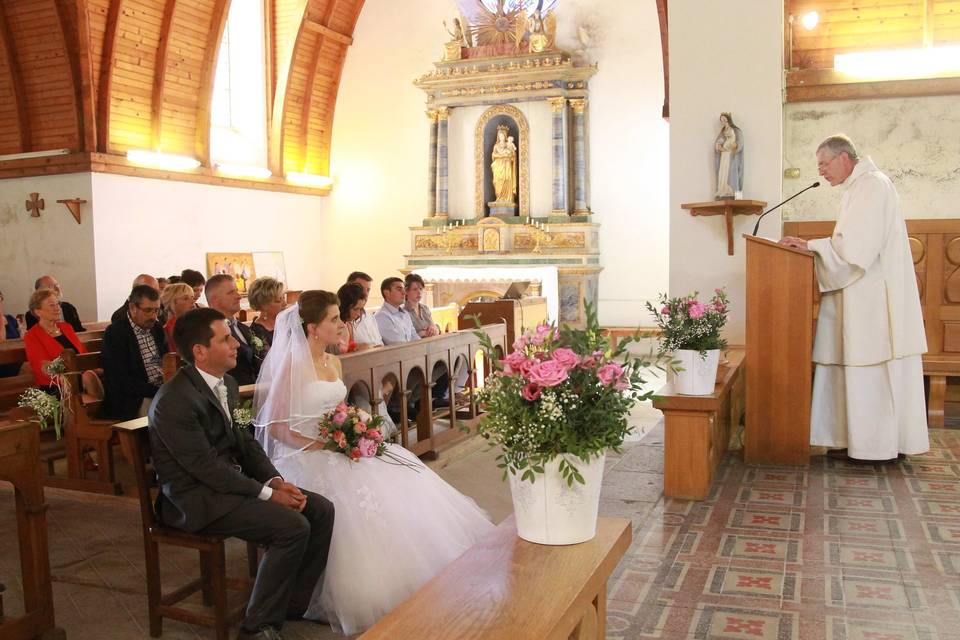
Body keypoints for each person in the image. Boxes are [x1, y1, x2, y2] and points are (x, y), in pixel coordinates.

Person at [253, 292, 494, 634]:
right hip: (305, 455)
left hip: (341, 445)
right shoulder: (292, 366)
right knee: (357, 503)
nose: (342, 324)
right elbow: (277, 428)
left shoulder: (333, 362)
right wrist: (327, 444)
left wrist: (356, 427)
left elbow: (339, 409)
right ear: (312, 328)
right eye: (334, 319)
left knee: (403, 481)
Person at [150, 308, 335, 640]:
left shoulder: (228, 384)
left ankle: (291, 604)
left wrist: (276, 480)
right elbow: (205, 467)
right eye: (225, 339)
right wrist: (266, 494)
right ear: (199, 351)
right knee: (291, 527)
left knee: (320, 510)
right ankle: (257, 627)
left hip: (224, 488)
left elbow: (246, 444)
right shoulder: (174, 401)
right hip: (194, 499)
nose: (237, 343)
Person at [780, 134, 928, 462]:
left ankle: (879, 447)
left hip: (874, 301)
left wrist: (811, 246)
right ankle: (854, 442)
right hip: (860, 296)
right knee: (854, 368)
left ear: (844, 157)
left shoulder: (872, 186)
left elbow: (856, 249)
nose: (821, 172)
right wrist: (815, 247)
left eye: (824, 164)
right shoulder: (860, 187)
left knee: (871, 369)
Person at [100, 285, 166, 420]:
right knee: (167, 409)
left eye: (156, 310)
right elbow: (120, 379)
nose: (154, 316)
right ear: (132, 308)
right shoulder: (115, 333)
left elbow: (166, 361)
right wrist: (157, 391)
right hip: (131, 399)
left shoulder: (157, 329)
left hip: (159, 390)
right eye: (148, 310)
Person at [23, 288, 87, 390]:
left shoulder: (67, 327)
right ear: (38, 311)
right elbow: (42, 367)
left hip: (82, 378)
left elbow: (83, 353)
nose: (57, 308)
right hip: (56, 386)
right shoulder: (32, 336)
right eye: (52, 305)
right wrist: (71, 380)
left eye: (58, 304)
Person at [206, 274, 259, 385]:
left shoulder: (243, 328)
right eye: (231, 293)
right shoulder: (207, 332)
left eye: (236, 291)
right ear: (215, 300)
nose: (239, 296)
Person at [374, 277, 419, 346]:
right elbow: (398, 344)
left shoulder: (405, 314)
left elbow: (415, 338)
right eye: (399, 289)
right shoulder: (381, 316)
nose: (404, 293)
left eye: (404, 289)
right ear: (387, 293)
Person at [248, 277, 287, 347]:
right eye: (278, 301)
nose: (285, 304)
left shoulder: (285, 321)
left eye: (283, 298)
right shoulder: (257, 333)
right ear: (263, 305)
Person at [714, 112, 744, 200]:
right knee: (723, 171)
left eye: (724, 120)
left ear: (728, 119)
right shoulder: (723, 131)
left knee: (732, 172)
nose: (722, 122)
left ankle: (734, 193)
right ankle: (723, 190)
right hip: (724, 154)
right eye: (721, 120)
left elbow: (740, 142)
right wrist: (718, 146)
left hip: (731, 154)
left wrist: (736, 145)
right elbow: (719, 141)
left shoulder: (735, 130)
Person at [160, 282, 195, 353]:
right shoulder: (168, 329)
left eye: (192, 297)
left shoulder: (195, 322)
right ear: (172, 303)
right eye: (186, 298)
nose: (192, 301)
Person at [403, 274, 440, 338]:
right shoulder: (403, 311)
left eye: (420, 289)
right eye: (415, 289)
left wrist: (434, 328)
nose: (419, 292)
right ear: (406, 291)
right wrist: (421, 334)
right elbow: (405, 337)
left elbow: (434, 327)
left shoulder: (425, 308)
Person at [490, 124, 516, 203]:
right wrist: (502, 155)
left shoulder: (509, 145)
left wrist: (510, 154)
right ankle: (499, 197)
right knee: (497, 181)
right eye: (500, 136)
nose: (501, 137)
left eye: (503, 136)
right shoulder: (496, 146)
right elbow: (494, 155)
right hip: (498, 166)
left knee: (506, 179)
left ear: (505, 136)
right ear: (498, 137)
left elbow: (512, 155)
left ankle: (508, 198)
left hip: (507, 165)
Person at [0, 289, 21, 377]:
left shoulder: (11, 319)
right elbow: (2, 342)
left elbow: (22, 339)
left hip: (18, 362)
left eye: (0, 299)